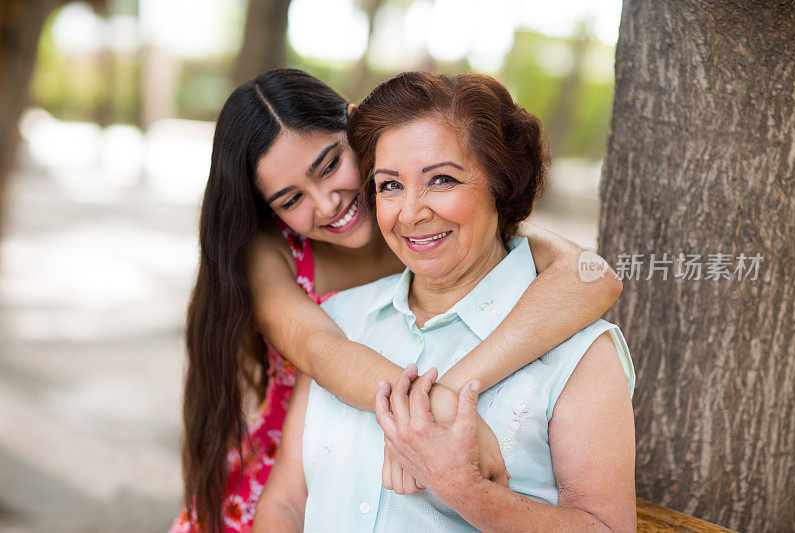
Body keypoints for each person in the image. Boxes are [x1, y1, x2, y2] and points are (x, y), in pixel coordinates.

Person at [172, 68, 623, 533]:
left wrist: (447, 396)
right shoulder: (274, 254)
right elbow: (323, 351)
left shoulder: (436, 222)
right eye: (291, 199)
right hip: (291, 469)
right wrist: (431, 414)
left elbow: (593, 277)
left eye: (329, 166)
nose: (326, 204)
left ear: (358, 130)